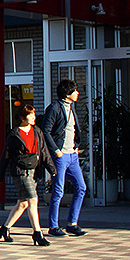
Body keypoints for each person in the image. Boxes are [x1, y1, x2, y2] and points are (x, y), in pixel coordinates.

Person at [0, 104, 57, 246]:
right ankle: (37, 233)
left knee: (23, 204)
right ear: (23, 117)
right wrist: (0, 175)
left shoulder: (37, 131)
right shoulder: (15, 134)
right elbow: (6, 154)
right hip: (20, 172)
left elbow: (44, 151)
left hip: (33, 171)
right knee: (33, 200)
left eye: (34, 115)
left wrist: (52, 169)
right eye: (30, 115)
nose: (33, 118)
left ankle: (5, 228)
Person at [43, 79, 88, 237]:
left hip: (72, 155)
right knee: (58, 190)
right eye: (75, 91)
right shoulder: (54, 108)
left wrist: (76, 146)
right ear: (67, 93)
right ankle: (53, 226)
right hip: (61, 156)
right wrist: (56, 151)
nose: (77, 93)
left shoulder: (71, 107)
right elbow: (46, 131)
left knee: (81, 187)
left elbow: (73, 129)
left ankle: (72, 223)